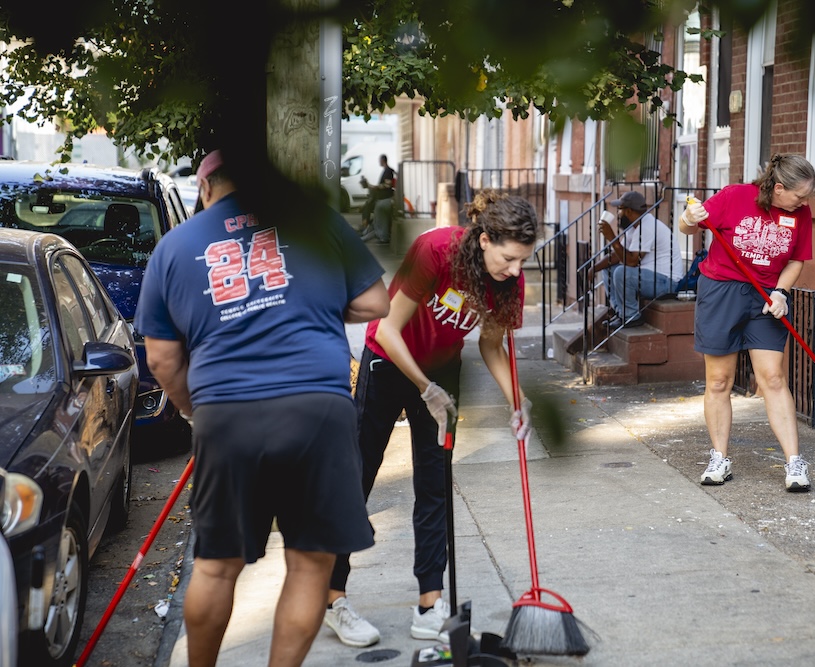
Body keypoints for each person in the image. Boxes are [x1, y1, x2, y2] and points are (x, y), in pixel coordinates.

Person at [134, 150, 390, 667]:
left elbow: (160, 356)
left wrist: (192, 410)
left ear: (206, 189)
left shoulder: (175, 245)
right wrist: (309, 299)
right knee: (311, 563)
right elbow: (375, 303)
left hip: (227, 415)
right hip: (317, 408)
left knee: (215, 565)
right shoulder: (315, 223)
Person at [322, 190, 537, 649]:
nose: (516, 271)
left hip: (442, 370)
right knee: (357, 478)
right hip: (388, 363)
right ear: (484, 240)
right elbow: (386, 330)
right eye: (509, 259)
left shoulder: (506, 282)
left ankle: (428, 606)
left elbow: (491, 346)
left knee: (435, 485)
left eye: (522, 261)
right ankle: (333, 597)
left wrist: (517, 399)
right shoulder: (435, 251)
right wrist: (425, 388)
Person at [680, 154, 815, 492]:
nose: (803, 203)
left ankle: (794, 462)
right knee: (718, 381)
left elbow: (797, 260)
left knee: (772, 377)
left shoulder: (800, 214)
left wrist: (782, 292)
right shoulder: (734, 197)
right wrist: (687, 216)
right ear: (779, 188)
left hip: (767, 297)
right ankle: (719, 458)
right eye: (799, 196)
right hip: (721, 291)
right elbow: (689, 226)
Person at [589, 191, 683, 328]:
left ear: (628, 211)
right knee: (609, 269)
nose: (618, 214)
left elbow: (632, 261)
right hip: (651, 277)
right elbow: (617, 256)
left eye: (620, 210)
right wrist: (593, 268)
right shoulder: (634, 227)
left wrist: (612, 238)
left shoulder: (647, 226)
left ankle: (631, 316)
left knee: (621, 273)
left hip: (667, 282)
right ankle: (620, 312)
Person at [359, 154, 396, 243]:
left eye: (379, 160)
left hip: (384, 199)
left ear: (383, 160)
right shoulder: (387, 170)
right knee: (374, 218)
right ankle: (366, 232)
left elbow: (387, 185)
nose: (379, 162)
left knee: (377, 219)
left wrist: (374, 187)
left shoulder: (388, 171)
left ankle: (372, 233)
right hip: (383, 199)